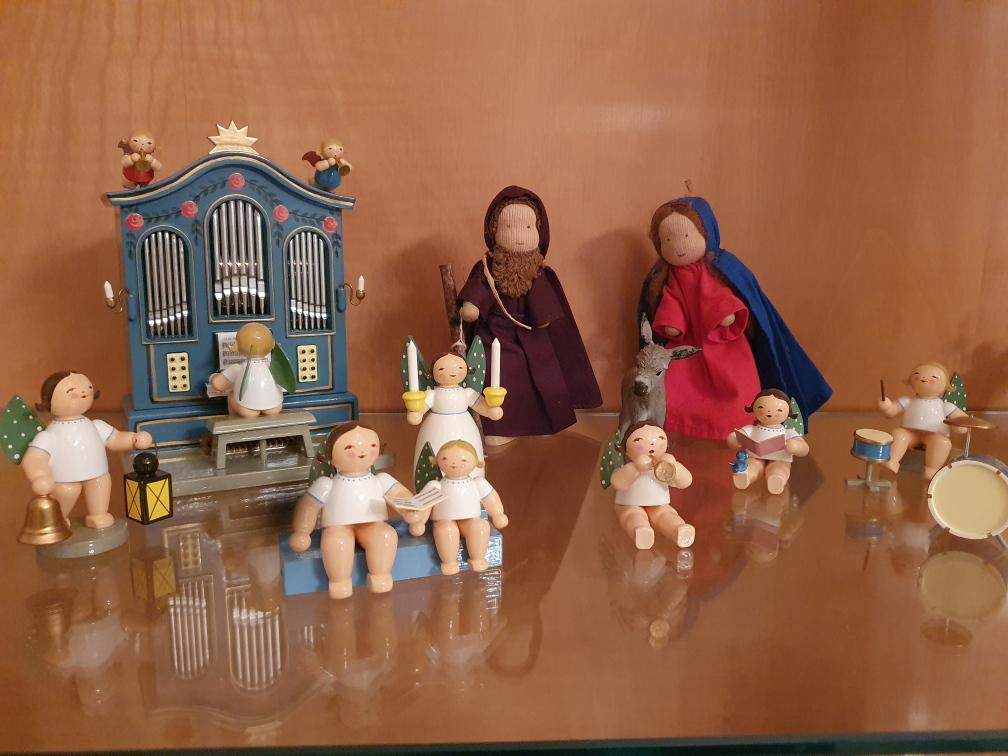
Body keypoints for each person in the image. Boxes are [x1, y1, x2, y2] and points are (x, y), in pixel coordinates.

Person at [459, 186, 601, 444]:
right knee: (495, 373)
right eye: (509, 227)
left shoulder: (538, 271)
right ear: (494, 231)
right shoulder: (487, 267)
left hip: (532, 333)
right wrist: (472, 307)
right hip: (495, 335)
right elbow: (478, 292)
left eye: (527, 227)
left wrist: (544, 317)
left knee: (542, 373)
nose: (518, 236)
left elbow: (545, 309)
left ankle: (542, 424)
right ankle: (498, 428)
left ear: (538, 231)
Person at [288, 423, 412, 599]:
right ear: (330, 455)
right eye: (349, 448)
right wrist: (302, 531)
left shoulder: (381, 480)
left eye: (372, 445)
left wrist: (410, 508)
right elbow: (308, 506)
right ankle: (339, 581)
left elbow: (400, 494)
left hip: (372, 525)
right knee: (336, 542)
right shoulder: (327, 484)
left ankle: (380, 575)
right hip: (338, 527)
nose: (363, 451)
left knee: (386, 535)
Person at [23, 371, 153, 529]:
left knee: (100, 483)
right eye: (72, 391)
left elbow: (115, 439)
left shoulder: (95, 425)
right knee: (67, 491)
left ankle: (98, 514)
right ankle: (57, 518)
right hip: (64, 478)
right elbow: (34, 458)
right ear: (49, 401)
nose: (84, 393)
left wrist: (133, 440)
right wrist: (39, 476)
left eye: (88, 388)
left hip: (98, 472)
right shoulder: (50, 435)